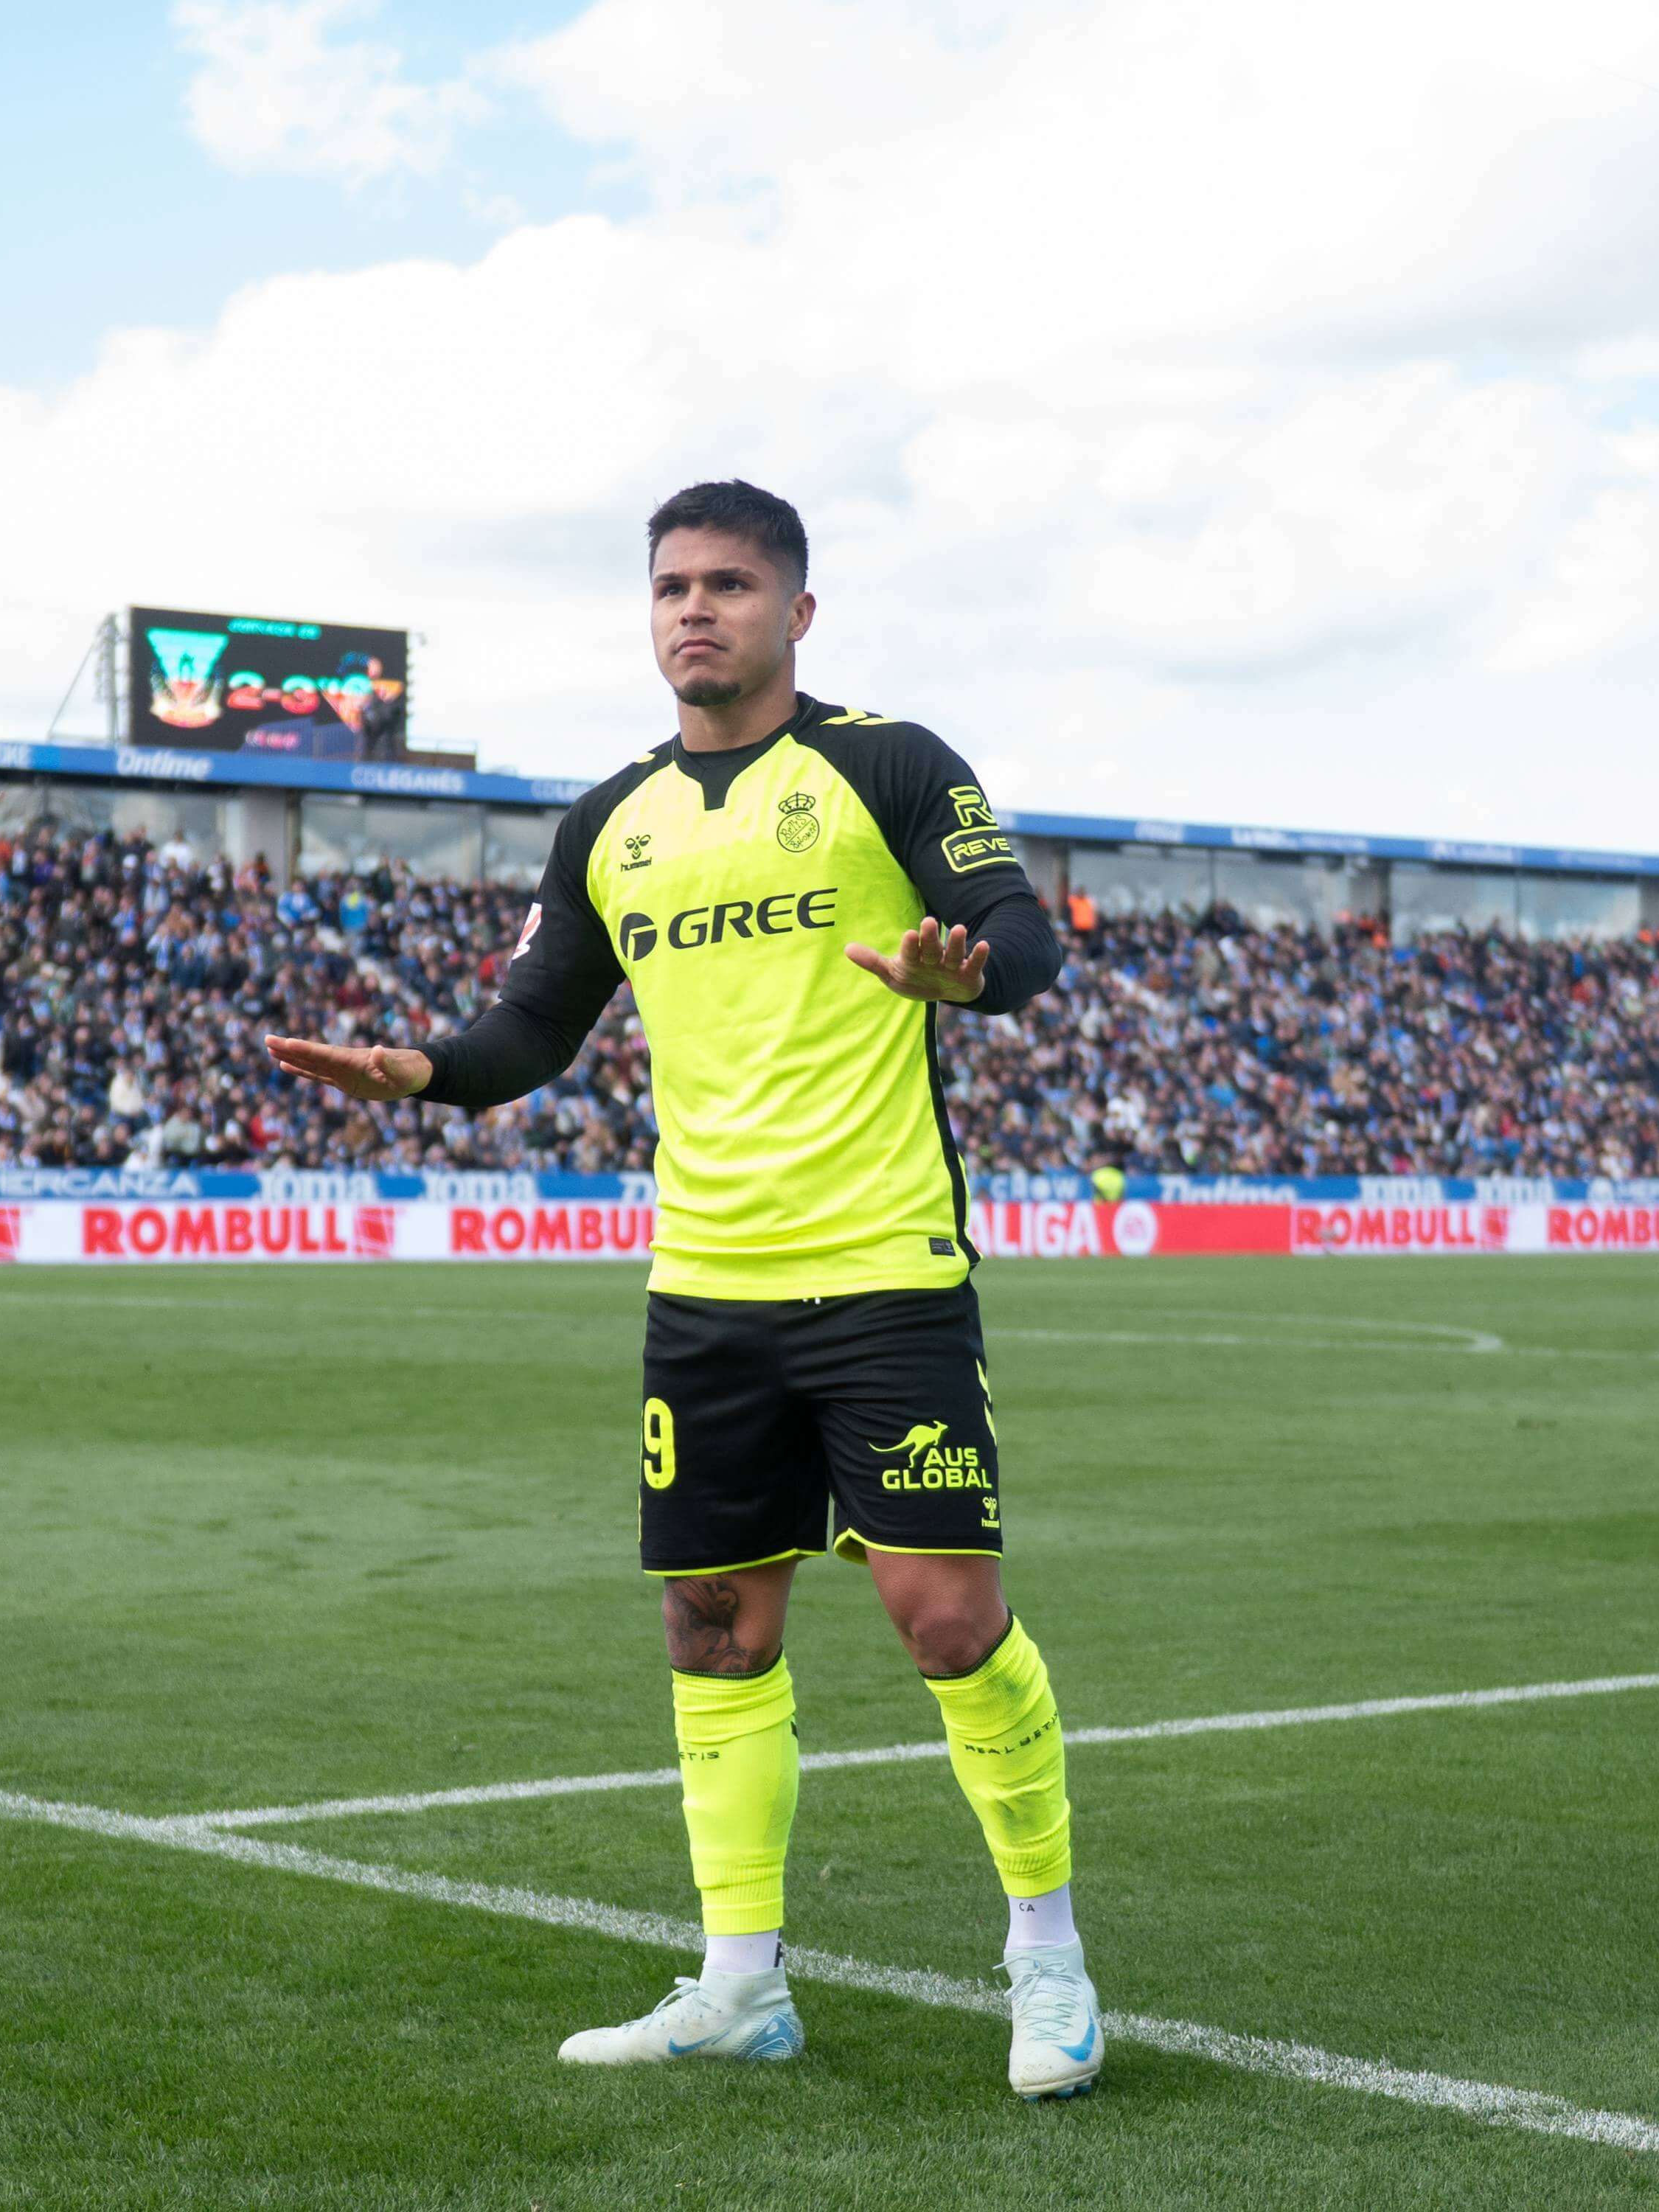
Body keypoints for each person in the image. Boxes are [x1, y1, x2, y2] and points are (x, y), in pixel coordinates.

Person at [264, 479, 1096, 2099]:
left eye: (727, 583)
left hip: (883, 1269)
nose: (693, 609)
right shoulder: (610, 823)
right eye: (669, 587)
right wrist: (424, 1069)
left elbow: (1021, 930)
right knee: (714, 1632)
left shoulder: (888, 766)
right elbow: (531, 1026)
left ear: (798, 610)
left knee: (943, 1620)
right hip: (705, 1287)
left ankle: (1047, 1959)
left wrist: (972, 971)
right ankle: (739, 1985)